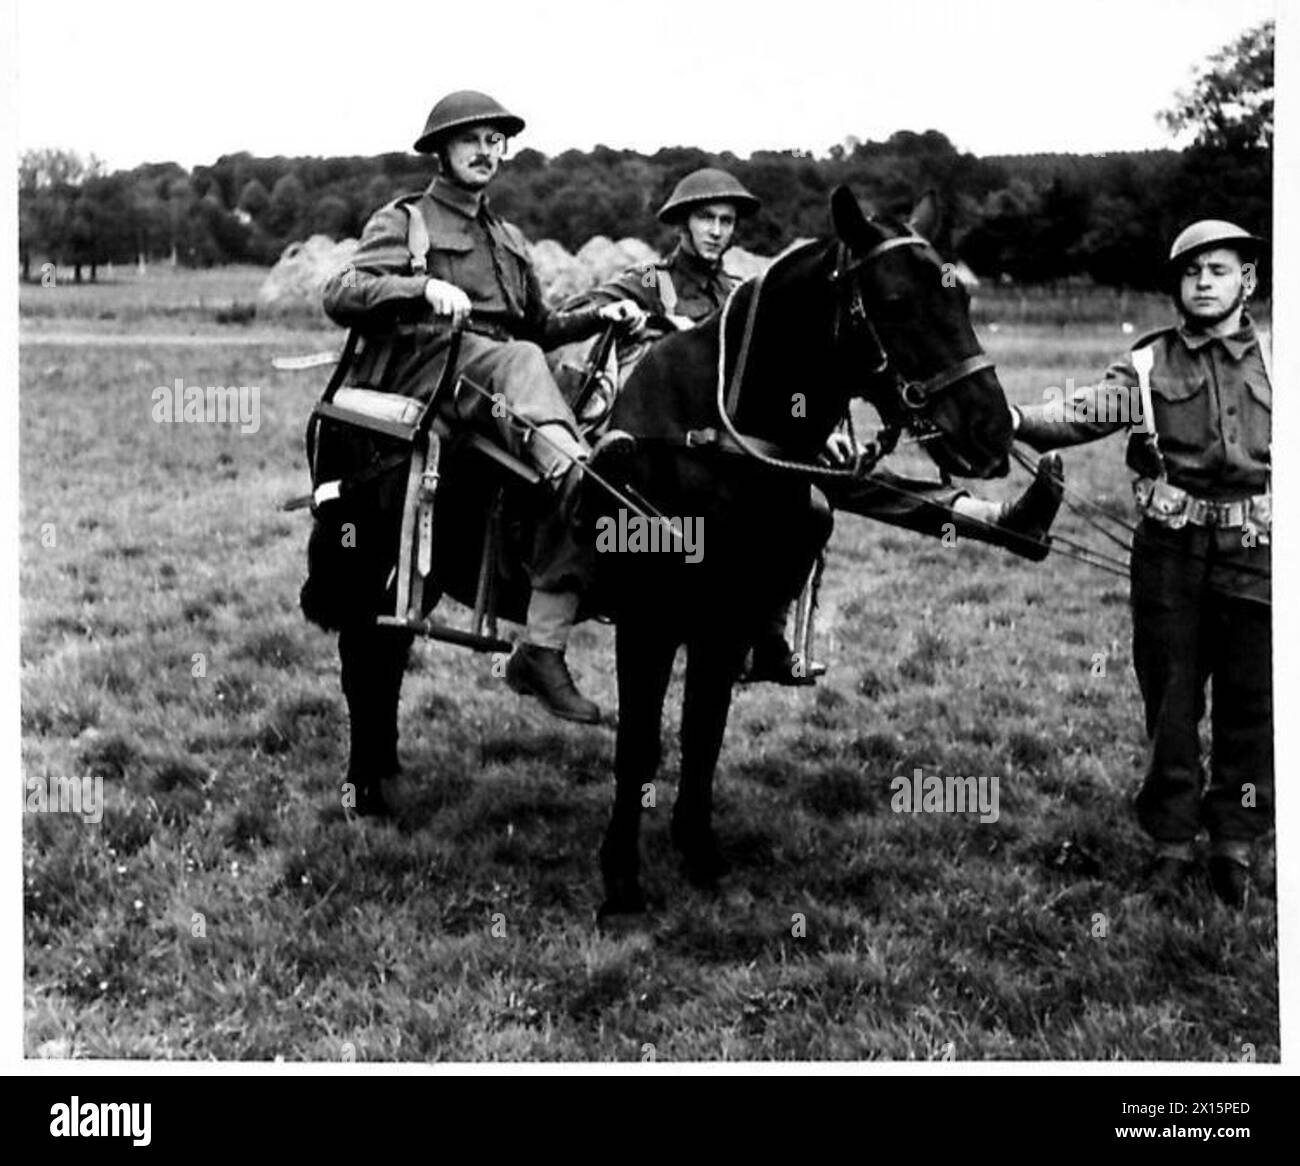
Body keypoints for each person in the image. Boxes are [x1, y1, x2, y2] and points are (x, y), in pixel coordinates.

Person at [566, 167, 1069, 684]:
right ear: (681, 225)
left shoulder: (747, 291)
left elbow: (787, 373)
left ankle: (996, 520)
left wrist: (815, 427)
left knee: (845, 480)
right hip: (676, 451)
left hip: (751, 449)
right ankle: (763, 633)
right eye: (705, 219)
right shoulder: (653, 280)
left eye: (726, 220)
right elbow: (580, 314)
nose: (717, 230)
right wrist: (635, 318)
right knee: (821, 497)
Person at [319, 90, 644, 812]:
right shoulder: (405, 220)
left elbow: (542, 322)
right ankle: (586, 487)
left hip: (502, 376)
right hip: (430, 369)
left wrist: (604, 312)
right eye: (472, 139)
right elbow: (341, 291)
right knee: (527, 368)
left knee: (589, 397)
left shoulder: (509, 237)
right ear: (441, 148)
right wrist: (421, 287)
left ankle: (563, 564)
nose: (487, 150)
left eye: (497, 140)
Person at [1013, 220, 1272, 907]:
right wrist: (1009, 418)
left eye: (1219, 270)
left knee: (1255, 704)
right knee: (1172, 703)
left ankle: (1236, 845)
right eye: (1191, 273)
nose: (1204, 283)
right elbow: (1080, 412)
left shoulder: (1281, 357)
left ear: (1248, 279)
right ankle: (1171, 844)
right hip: (1170, 558)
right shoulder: (1149, 364)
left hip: (1262, 558)